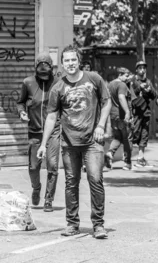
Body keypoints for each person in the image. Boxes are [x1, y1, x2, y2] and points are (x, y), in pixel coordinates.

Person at [38, 45, 111, 239]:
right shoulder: (58, 88)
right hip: (69, 143)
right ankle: (72, 224)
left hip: (92, 141)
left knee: (95, 179)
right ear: (62, 64)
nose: (70, 64)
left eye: (73, 60)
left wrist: (101, 126)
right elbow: (52, 117)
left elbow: (106, 102)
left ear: (79, 61)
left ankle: (98, 224)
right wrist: (43, 144)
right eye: (67, 60)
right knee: (71, 183)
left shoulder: (94, 79)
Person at [16, 52, 60, 212]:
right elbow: (20, 102)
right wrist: (21, 112)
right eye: (39, 72)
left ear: (51, 70)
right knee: (34, 167)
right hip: (34, 132)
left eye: (46, 72)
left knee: (53, 166)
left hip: (54, 131)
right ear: (35, 69)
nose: (43, 76)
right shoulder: (27, 82)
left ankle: (49, 199)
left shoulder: (58, 83)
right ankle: (36, 188)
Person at [105, 67, 134, 171]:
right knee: (127, 138)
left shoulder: (110, 84)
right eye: (126, 76)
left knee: (117, 137)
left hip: (113, 116)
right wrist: (127, 111)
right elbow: (121, 97)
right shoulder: (122, 85)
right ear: (120, 74)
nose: (127, 78)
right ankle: (127, 163)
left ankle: (109, 153)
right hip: (122, 116)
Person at [129, 60, 156, 167]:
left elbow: (154, 95)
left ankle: (140, 158)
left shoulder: (148, 81)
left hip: (146, 112)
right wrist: (139, 88)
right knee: (134, 134)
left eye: (144, 68)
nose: (142, 70)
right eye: (140, 68)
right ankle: (127, 157)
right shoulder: (133, 80)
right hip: (135, 112)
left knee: (144, 134)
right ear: (136, 70)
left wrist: (149, 90)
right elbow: (129, 93)